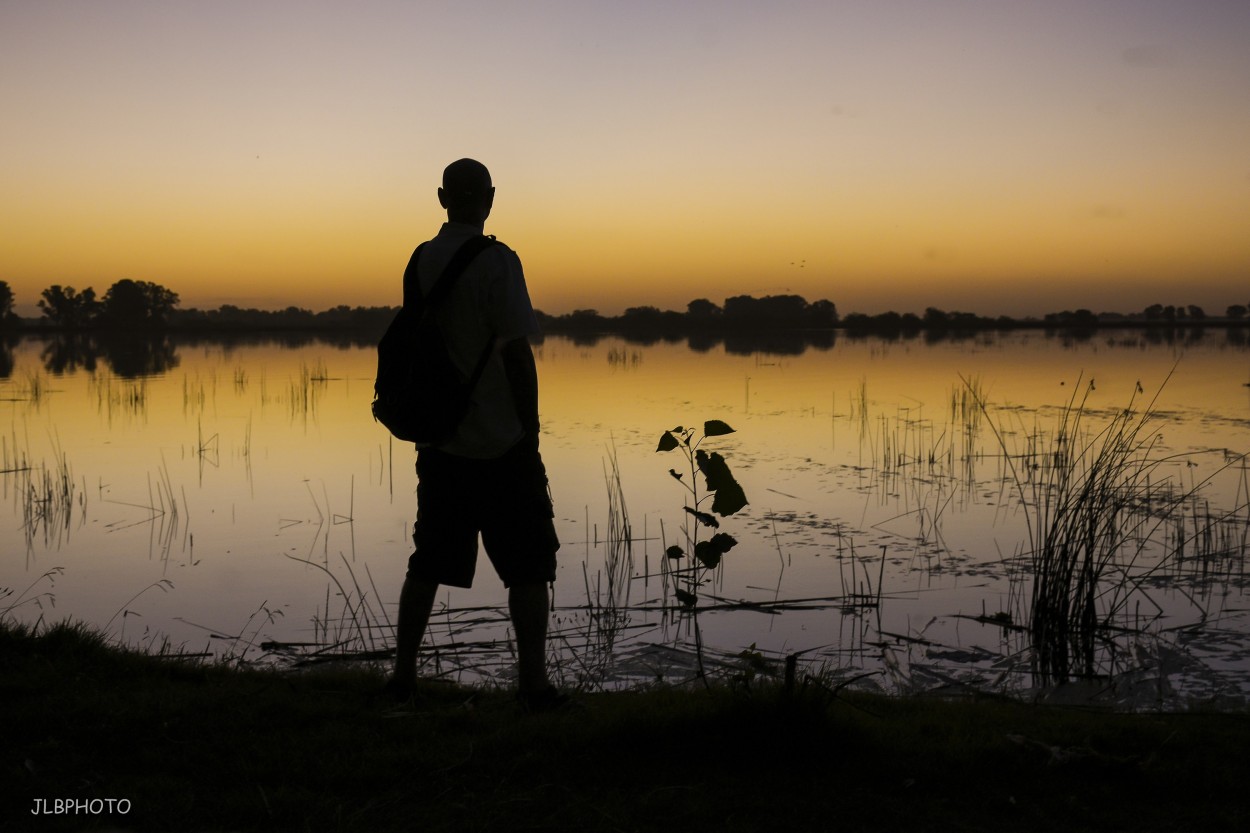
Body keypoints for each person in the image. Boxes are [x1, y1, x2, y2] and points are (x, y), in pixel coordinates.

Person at [389, 158, 563, 710]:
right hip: (502, 444)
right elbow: (517, 351)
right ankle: (532, 688)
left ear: (442, 198)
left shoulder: (420, 259)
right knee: (530, 568)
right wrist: (530, 430)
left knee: (428, 562)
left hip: (440, 443)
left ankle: (402, 679)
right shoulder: (499, 261)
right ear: (490, 198)